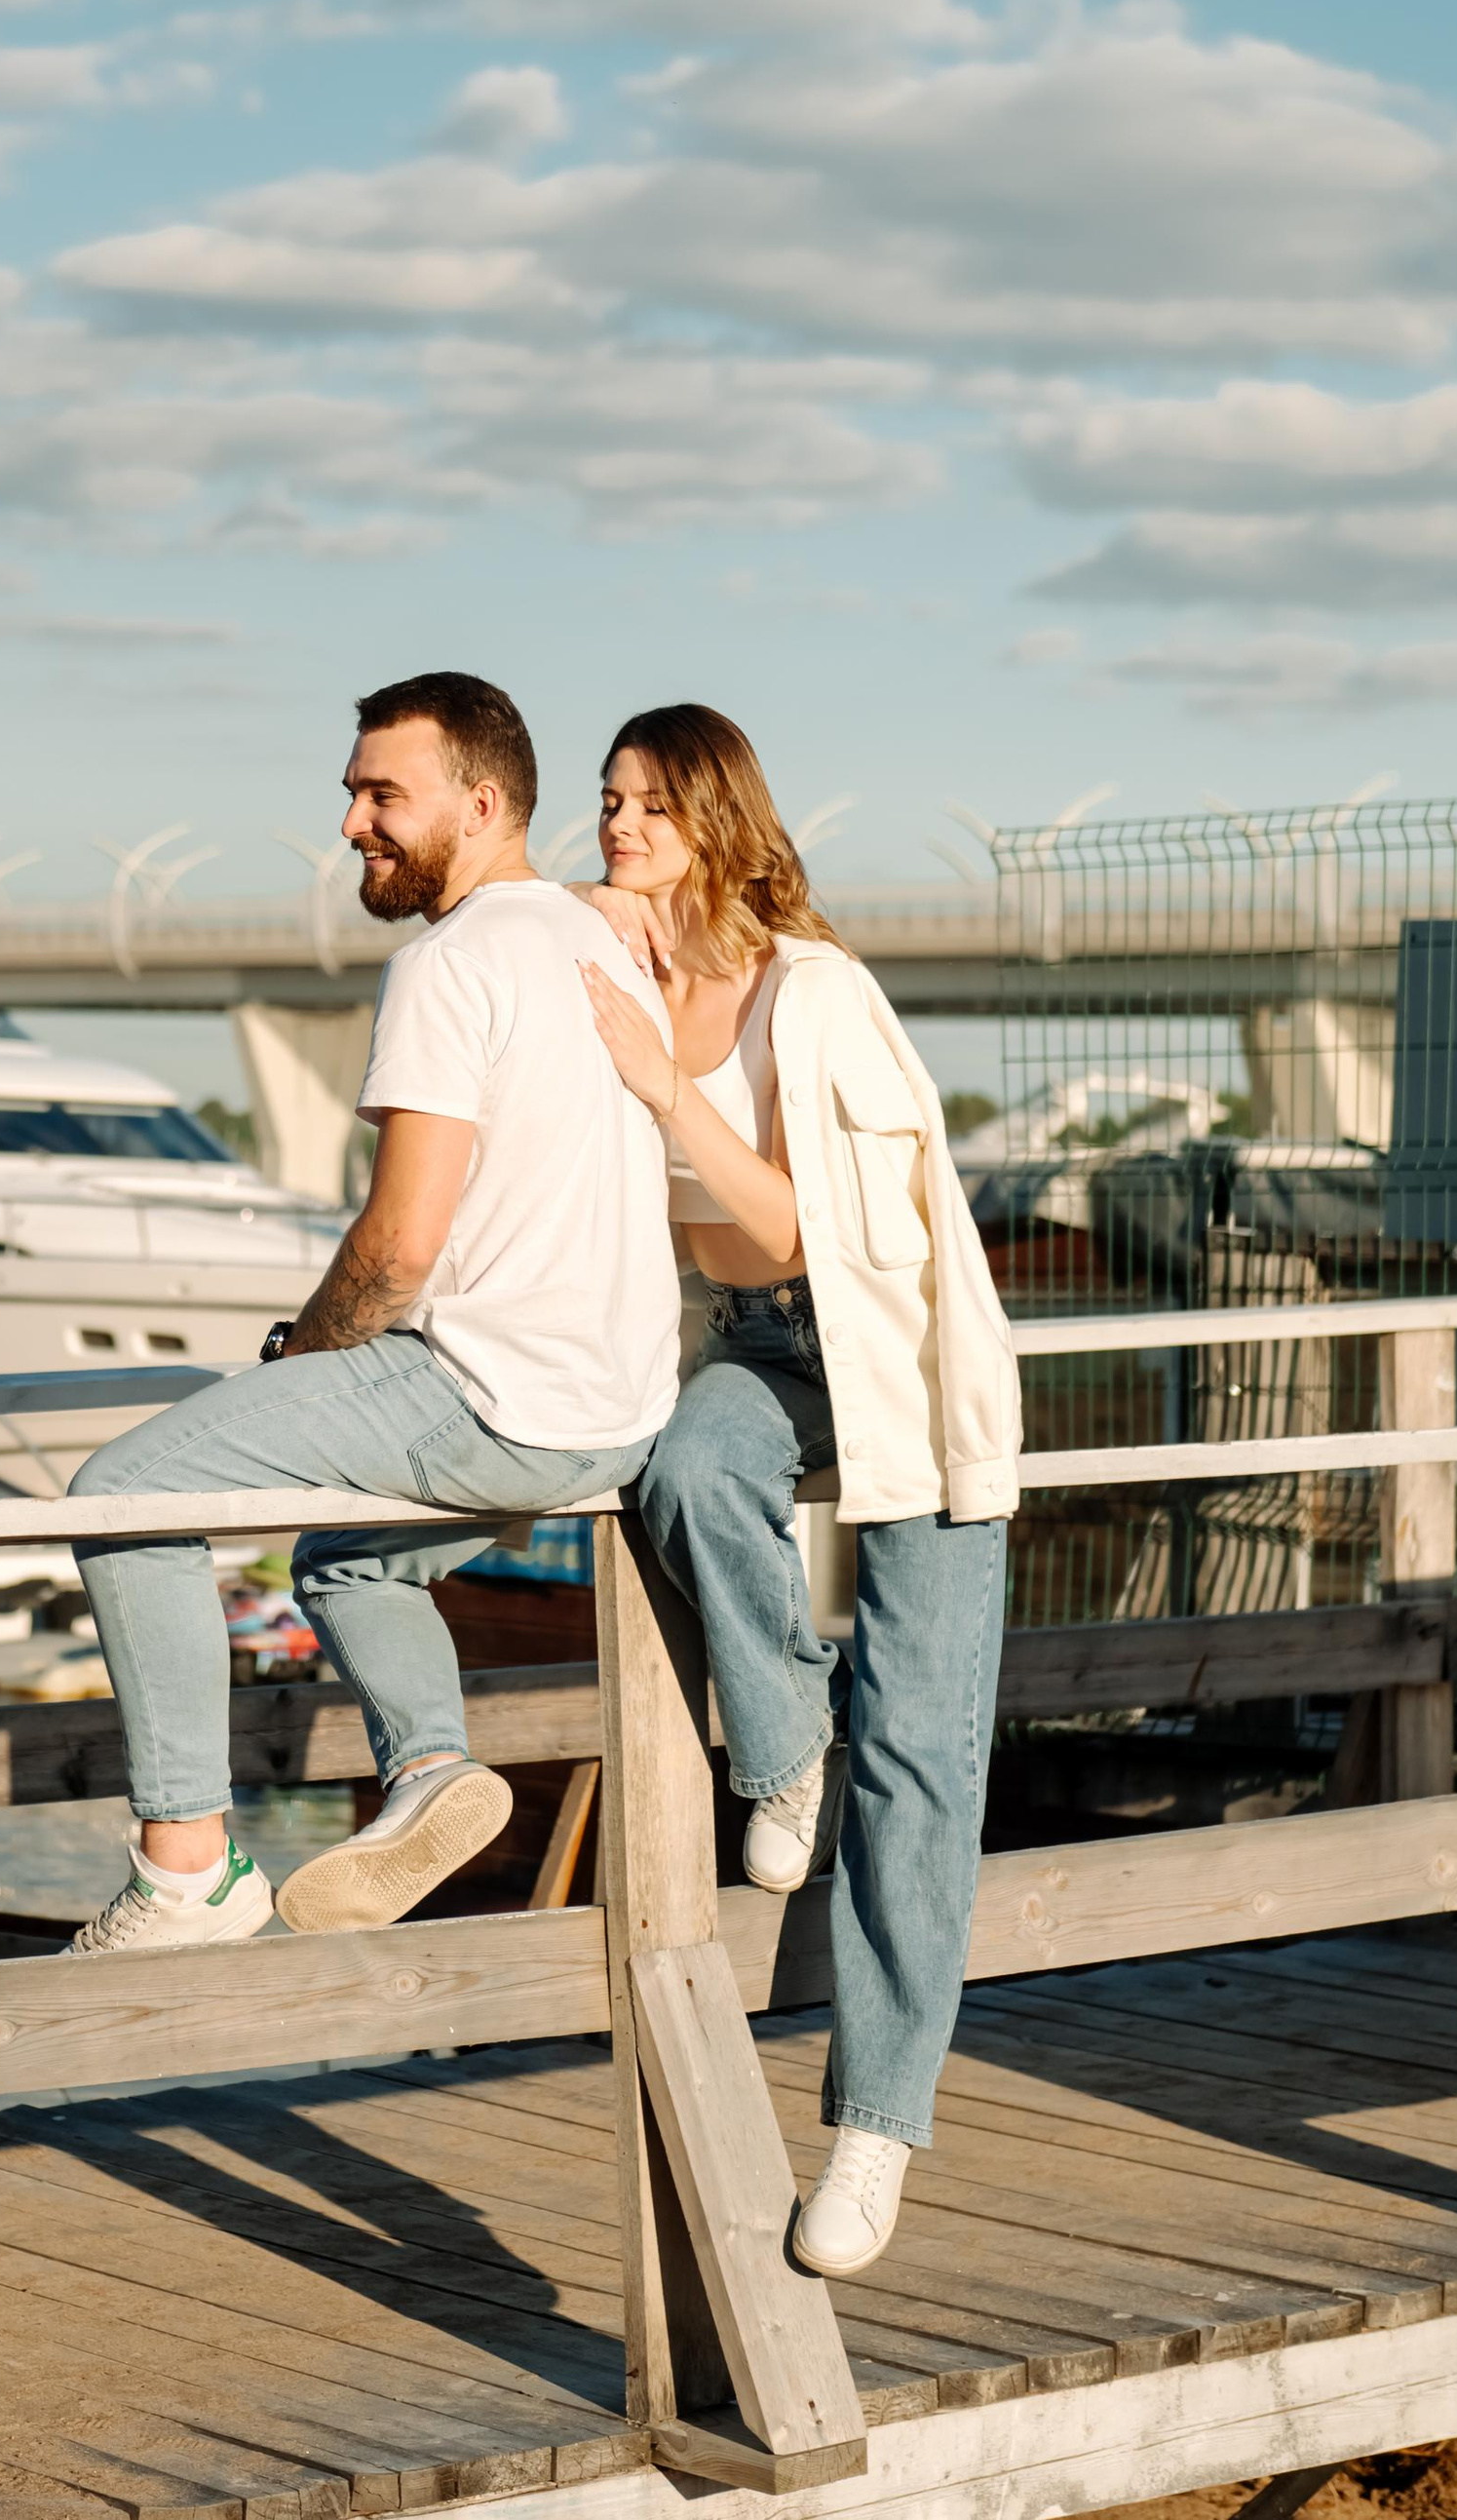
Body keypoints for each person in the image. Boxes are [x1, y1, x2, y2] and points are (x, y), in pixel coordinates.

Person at [62, 669, 680, 1957]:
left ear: (485, 799)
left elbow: (398, 1246)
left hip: (489, 1392)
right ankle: (430, 1770)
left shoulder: (449, 964)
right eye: (351, 792)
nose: (352, 821)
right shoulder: (596, 939)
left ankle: (186, 1865)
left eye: (383, 793)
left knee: (122, 1493)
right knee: (349, 1557)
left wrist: (304, 1355)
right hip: (616, 1409)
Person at [572, 701, 1019, 2278]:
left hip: (892, 1350)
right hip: (759, 1352)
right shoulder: (616, 979)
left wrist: (661, 1083)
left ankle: (877, 2129)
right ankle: (782, 1746)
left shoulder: (810, 991)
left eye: (648, 805)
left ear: (716, 819)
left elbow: (787, 1226)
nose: (618, 825)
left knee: (921, 1757)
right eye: (608, 800)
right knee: (685, 1466)